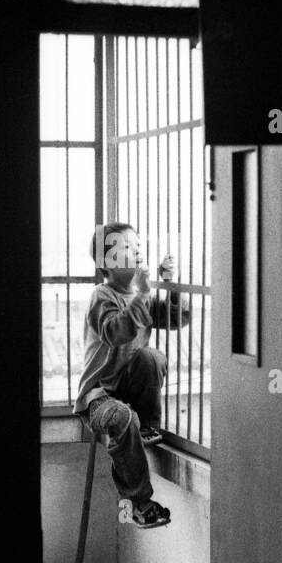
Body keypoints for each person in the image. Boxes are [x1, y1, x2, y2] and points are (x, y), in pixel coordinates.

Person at [73, 222, 190, 529]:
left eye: (138, 246)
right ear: (106, 263)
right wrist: (144, 294)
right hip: (98, 398)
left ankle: (148, 425)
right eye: (126, 247)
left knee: (152, 356)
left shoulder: (143, 298)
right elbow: (117, 332)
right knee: (123, 417)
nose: (137, 251)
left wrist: (170, 284)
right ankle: (139, 503)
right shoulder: (102, 296)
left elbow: (178, 319)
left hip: (128, 393)